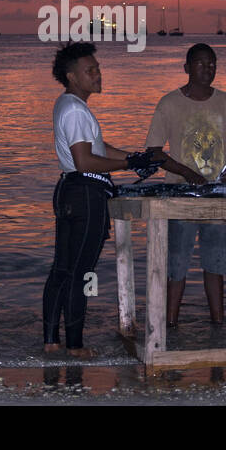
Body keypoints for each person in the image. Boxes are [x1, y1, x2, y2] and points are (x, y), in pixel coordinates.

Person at [43, 41, 173, 358]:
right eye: (91, 70)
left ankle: (51, 341)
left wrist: (134, 157)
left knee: (62, 269)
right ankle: (75, 346)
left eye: (98, 68)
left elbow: (98, 149)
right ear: (72, 76)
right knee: (79, 272)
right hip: (86, 192)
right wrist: (129, 165)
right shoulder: (75, 109)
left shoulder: (69, 105)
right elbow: (86, 161)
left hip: (70, 190)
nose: (98, 74)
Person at [145, 43, 226, 325]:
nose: (207, 69)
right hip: (180, 194)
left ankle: (218, 325)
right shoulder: (169, 103)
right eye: (200, 64)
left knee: (215, 266)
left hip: (217, 196)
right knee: (176, 267)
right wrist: (187, 173)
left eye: (212, 64)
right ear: (186, 68)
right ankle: (170, 325)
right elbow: (153, 152)